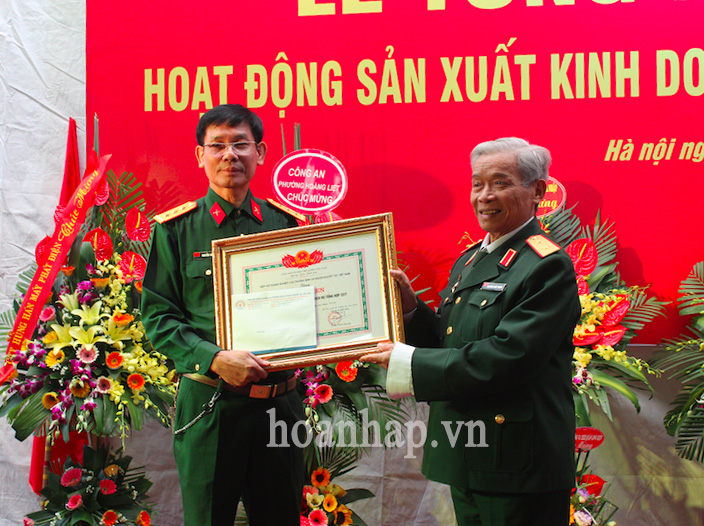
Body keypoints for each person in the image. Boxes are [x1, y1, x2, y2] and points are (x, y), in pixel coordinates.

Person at [362, 137, 580, 526]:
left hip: (518, 464)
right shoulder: (470, 260)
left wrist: (407, 361)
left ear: (537, 191)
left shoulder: (547, 266)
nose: (484, 196)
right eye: (477, 184)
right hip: (470, 453)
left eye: (500, 183)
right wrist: (409, 309)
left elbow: (508, 357)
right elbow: (451, 339)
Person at [141, 104, 307, 526]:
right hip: (210, 404)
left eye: (240, 144)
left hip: (279, 405)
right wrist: (214, 358)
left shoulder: (286, 224)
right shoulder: (176, 229)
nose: (229, 154)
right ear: (201, 155)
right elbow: (159, 317)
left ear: (260, 152)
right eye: (217, 145)